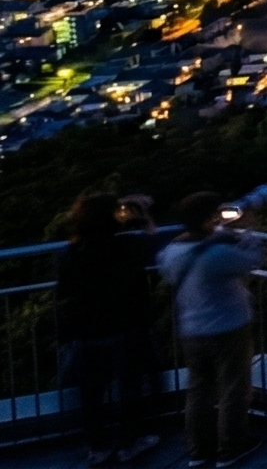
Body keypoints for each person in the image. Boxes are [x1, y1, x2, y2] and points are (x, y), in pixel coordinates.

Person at [158, 189, 267, 469]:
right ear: (210, 218)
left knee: (198, 390)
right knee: (234, 389)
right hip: (228, 327)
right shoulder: (218, 253)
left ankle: (198, 450)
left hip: (191, 330)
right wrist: (249, 231)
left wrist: (221, 234)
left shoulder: (172, 251)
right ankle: (230, 448)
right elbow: (255, 258)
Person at [55, 194, 161, 466]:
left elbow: (65, 290)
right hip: (126, 327)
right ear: (112, 218)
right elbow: (152, 243)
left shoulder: (70, 253)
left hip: (85, 332)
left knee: (92, 393)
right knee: (130, 387)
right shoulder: (125, 246)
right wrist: (144, 216)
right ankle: (130, 442)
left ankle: (98, 447)